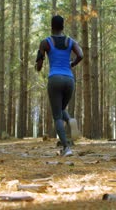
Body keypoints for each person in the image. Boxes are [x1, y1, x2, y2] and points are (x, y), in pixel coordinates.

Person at [35, 15, 83, 157]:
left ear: (51, 26)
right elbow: (80, 54)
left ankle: (66, 147)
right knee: (61, 109)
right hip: (69, 80)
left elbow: (39, 64)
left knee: (57, 116)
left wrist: (38, 65)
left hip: (55, 79)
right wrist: (72, 64)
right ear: (63, 26)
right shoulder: (70, 41)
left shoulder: (46, 42)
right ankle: (70, 120)